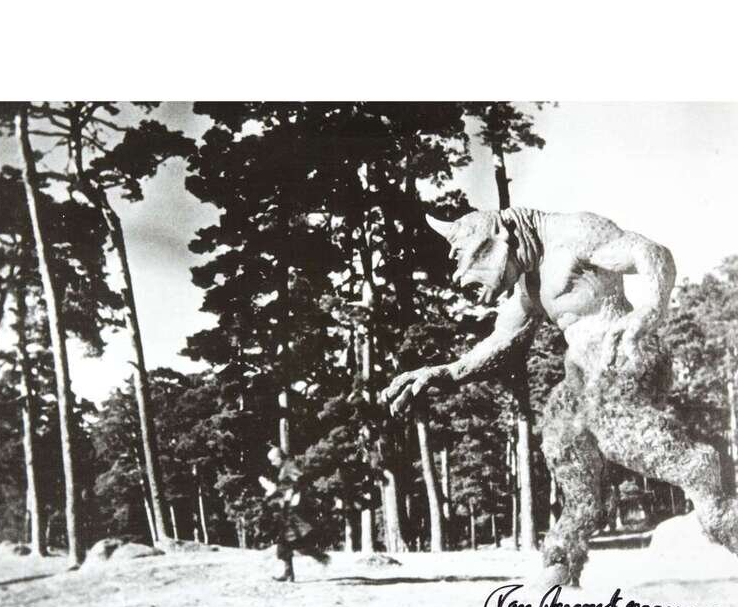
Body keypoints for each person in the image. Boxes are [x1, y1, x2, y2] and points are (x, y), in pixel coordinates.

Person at [382, 207, 738, 586]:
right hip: (583, 372)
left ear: (503, 238)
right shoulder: (528, 285)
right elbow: (502, 340)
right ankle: (564, 556)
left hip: (627, 353)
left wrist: (652, 308)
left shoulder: (575, 233)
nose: (467, 282)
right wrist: (445, 372)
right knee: (562, 442)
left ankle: (707, 486)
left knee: (617, 431)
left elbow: (650, 252)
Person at [262, 447, 330, 582]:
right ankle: (291, 572)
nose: (272, 463)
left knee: (289, 541)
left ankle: (318, 558)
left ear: (279, 458)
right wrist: (274, 490)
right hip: (289, 511)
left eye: (273, 460)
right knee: (288, 542)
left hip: (294, 511)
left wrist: (292, 492)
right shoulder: (285, 467)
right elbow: (287, 486)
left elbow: (300, 479)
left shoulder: (289, 466)